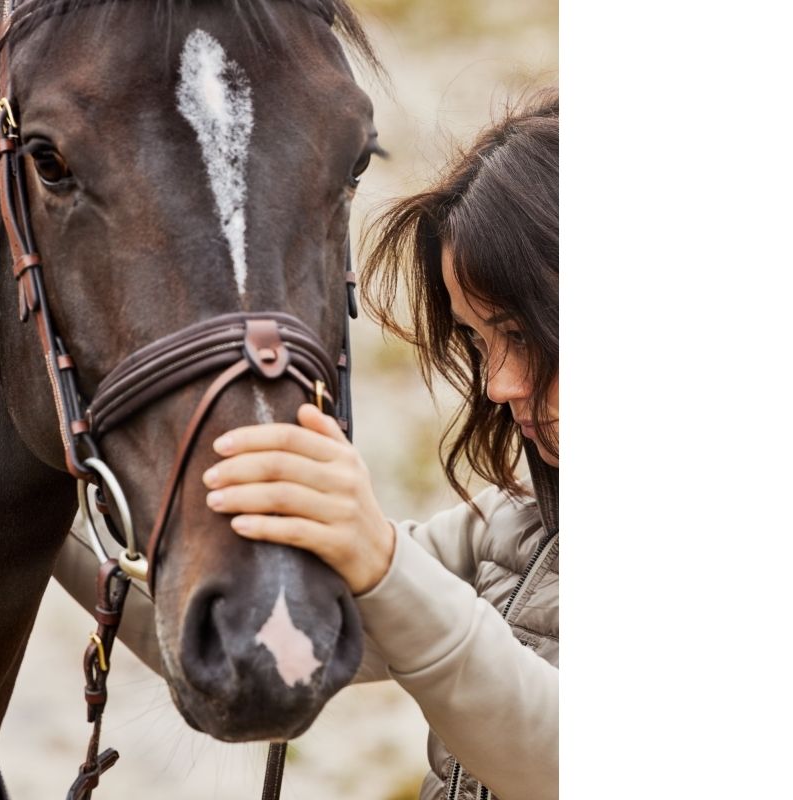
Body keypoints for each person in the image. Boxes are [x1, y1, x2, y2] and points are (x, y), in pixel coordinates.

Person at [201, 88, 559, 800]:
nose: (496, 385)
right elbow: (233, 631)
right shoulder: (512, 527)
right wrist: (42, 490)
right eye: (477, 342)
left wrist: (383, 561)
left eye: (518, 334)